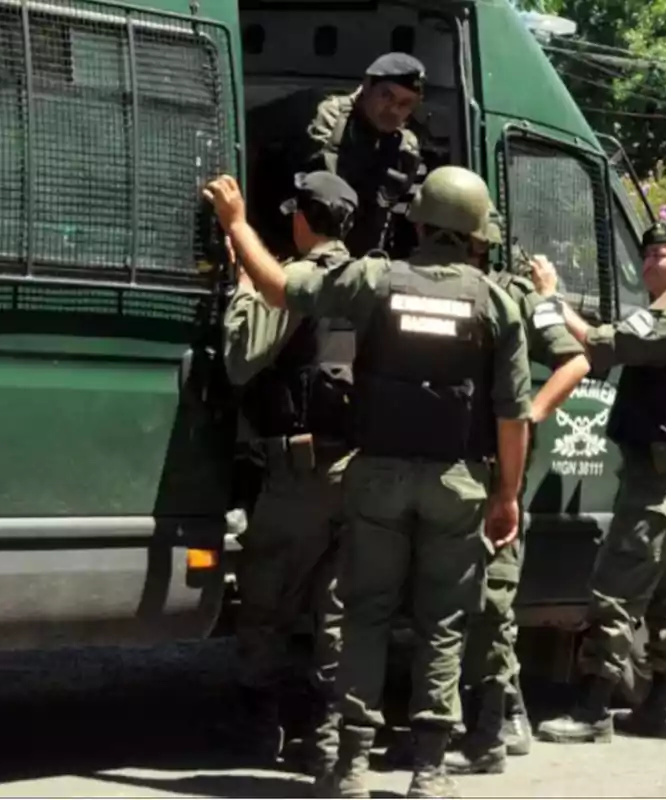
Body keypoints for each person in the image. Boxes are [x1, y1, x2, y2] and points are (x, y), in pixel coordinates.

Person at [203, 165, 534, 799]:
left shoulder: (375, 278)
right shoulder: (497, 301)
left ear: (418, 223)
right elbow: (511, 414)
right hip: (456, 483)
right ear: (474, 233)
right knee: (442, 625)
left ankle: (350, 766)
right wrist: (507, 496)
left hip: (377, 476)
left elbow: (276, 288)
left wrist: (238, 224)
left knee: (365, 617)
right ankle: (430, 772)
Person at [534, 218, 666, 745]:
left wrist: (551, 301)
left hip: (660, 475)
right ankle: (661, 706)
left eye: (658, 256)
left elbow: (609, 342)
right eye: (644, 257)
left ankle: (592, 709)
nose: (646, 266)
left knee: (620, 582)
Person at [221, 171, 359, 780]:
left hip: (301, 475)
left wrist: (245, 278)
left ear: (305, 220)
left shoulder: (303, 280)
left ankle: (257, 726)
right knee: (338, 610)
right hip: (358, 473)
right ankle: (326, 742)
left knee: (266, 597)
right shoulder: (371, 279)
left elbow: (240, 360)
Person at [444, 239, 592, 775]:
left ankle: (500, 723)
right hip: (448, 467)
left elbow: (575, 362)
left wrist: (529, 414)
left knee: (491, 602)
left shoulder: (517, 295)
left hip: (492, 472)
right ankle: (495, 715)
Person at [299, 52, 426, 257]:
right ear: (367, 86)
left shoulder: (406, 146)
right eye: (387, 95)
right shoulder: (332, 120)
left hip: (366, 257)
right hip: (312, 250)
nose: (393, 109)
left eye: (405, 104)